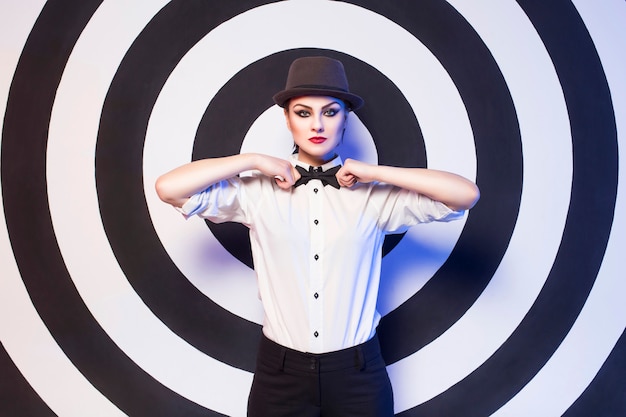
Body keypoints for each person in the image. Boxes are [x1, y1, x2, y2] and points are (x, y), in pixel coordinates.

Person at [155, 56, 479, 417]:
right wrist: (251, 161)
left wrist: (373, 171)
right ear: (287, 119)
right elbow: (169, 188)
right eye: (304, 113)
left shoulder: (373, 196)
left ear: (345, 119)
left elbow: (464, 194)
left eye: (331, 111)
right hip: (280, 375)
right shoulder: (256, 193)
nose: (318, 124)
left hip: (358, 374)